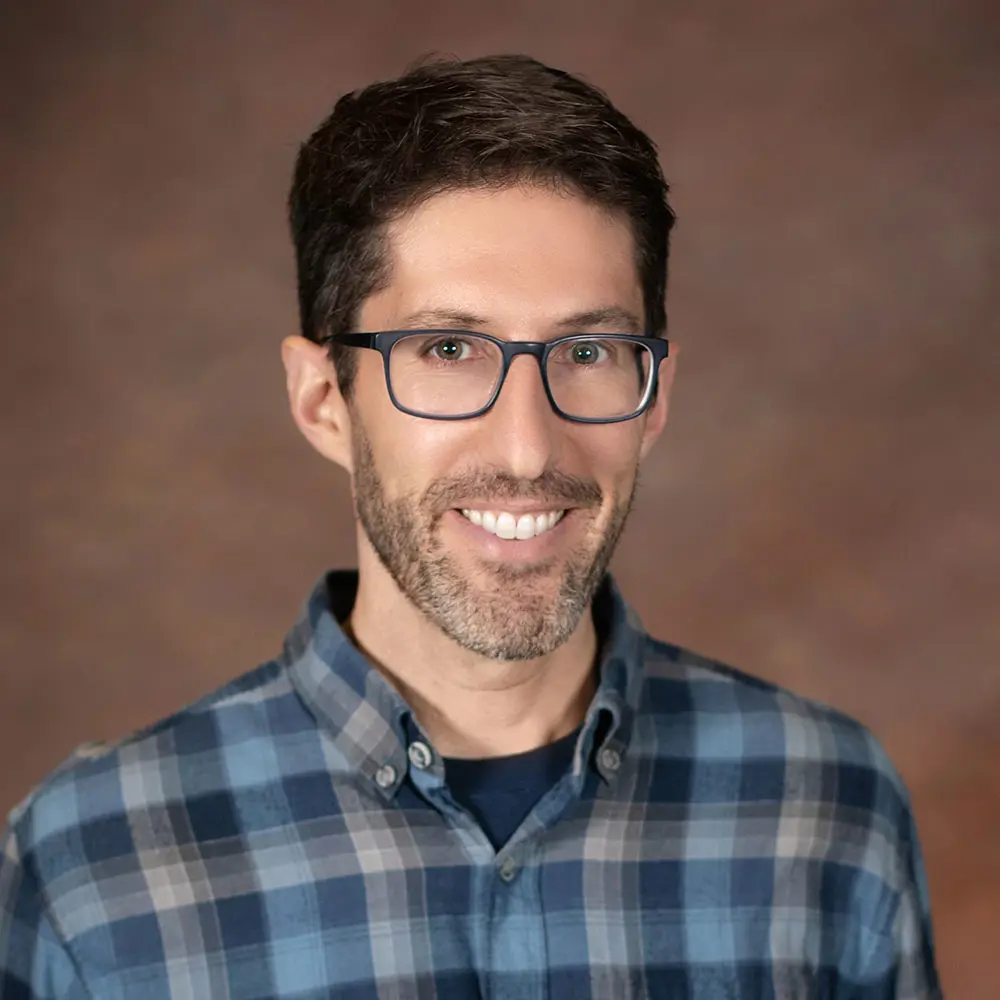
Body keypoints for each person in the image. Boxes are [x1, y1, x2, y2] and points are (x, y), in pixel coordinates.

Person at [0, 55, 942, 999]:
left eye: (588, 351)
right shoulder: (92, 869)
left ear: (655, 399)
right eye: (449, 349)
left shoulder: (830, 808)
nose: (528, 449)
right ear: (324, 399)